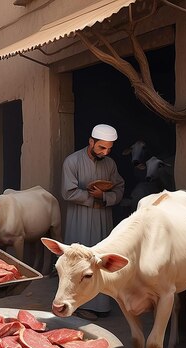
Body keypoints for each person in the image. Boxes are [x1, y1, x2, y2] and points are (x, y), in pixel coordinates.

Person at [61, 124, 125, 321]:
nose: (105, 152)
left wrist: (105, 196)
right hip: (80, 217)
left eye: (109, 149)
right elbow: (68, 191)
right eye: (101, 148)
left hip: (103, 217)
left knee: (100, 261)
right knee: (79, 262)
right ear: (91, 142)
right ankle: (79, 304)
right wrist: (93, 198)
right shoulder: (72, 161)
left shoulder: (110, 164)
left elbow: (120, 188)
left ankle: (101, 304)